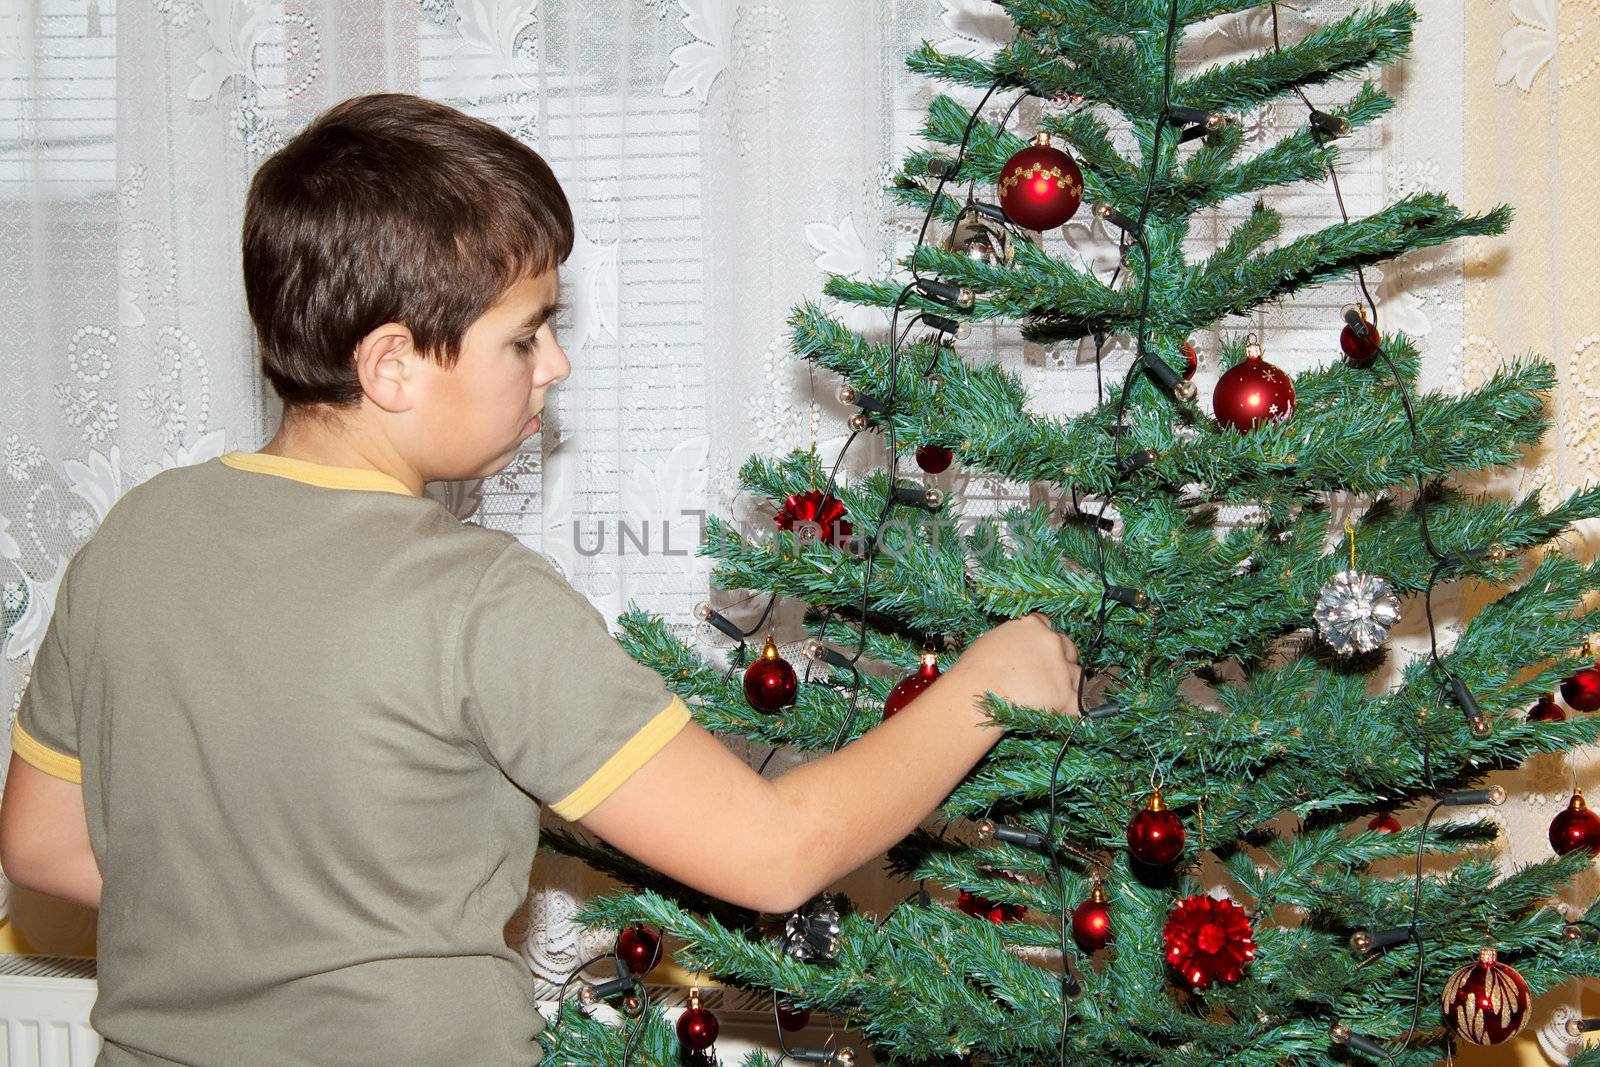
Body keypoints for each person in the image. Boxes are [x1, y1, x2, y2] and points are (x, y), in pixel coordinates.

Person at [0, 93, 1081, 1066]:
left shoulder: (136, 537)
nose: (553, 365)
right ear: (391, 364)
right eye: (526, 336)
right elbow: (773, 852)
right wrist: (992, 681)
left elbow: (42, 842)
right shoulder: (473, 597)